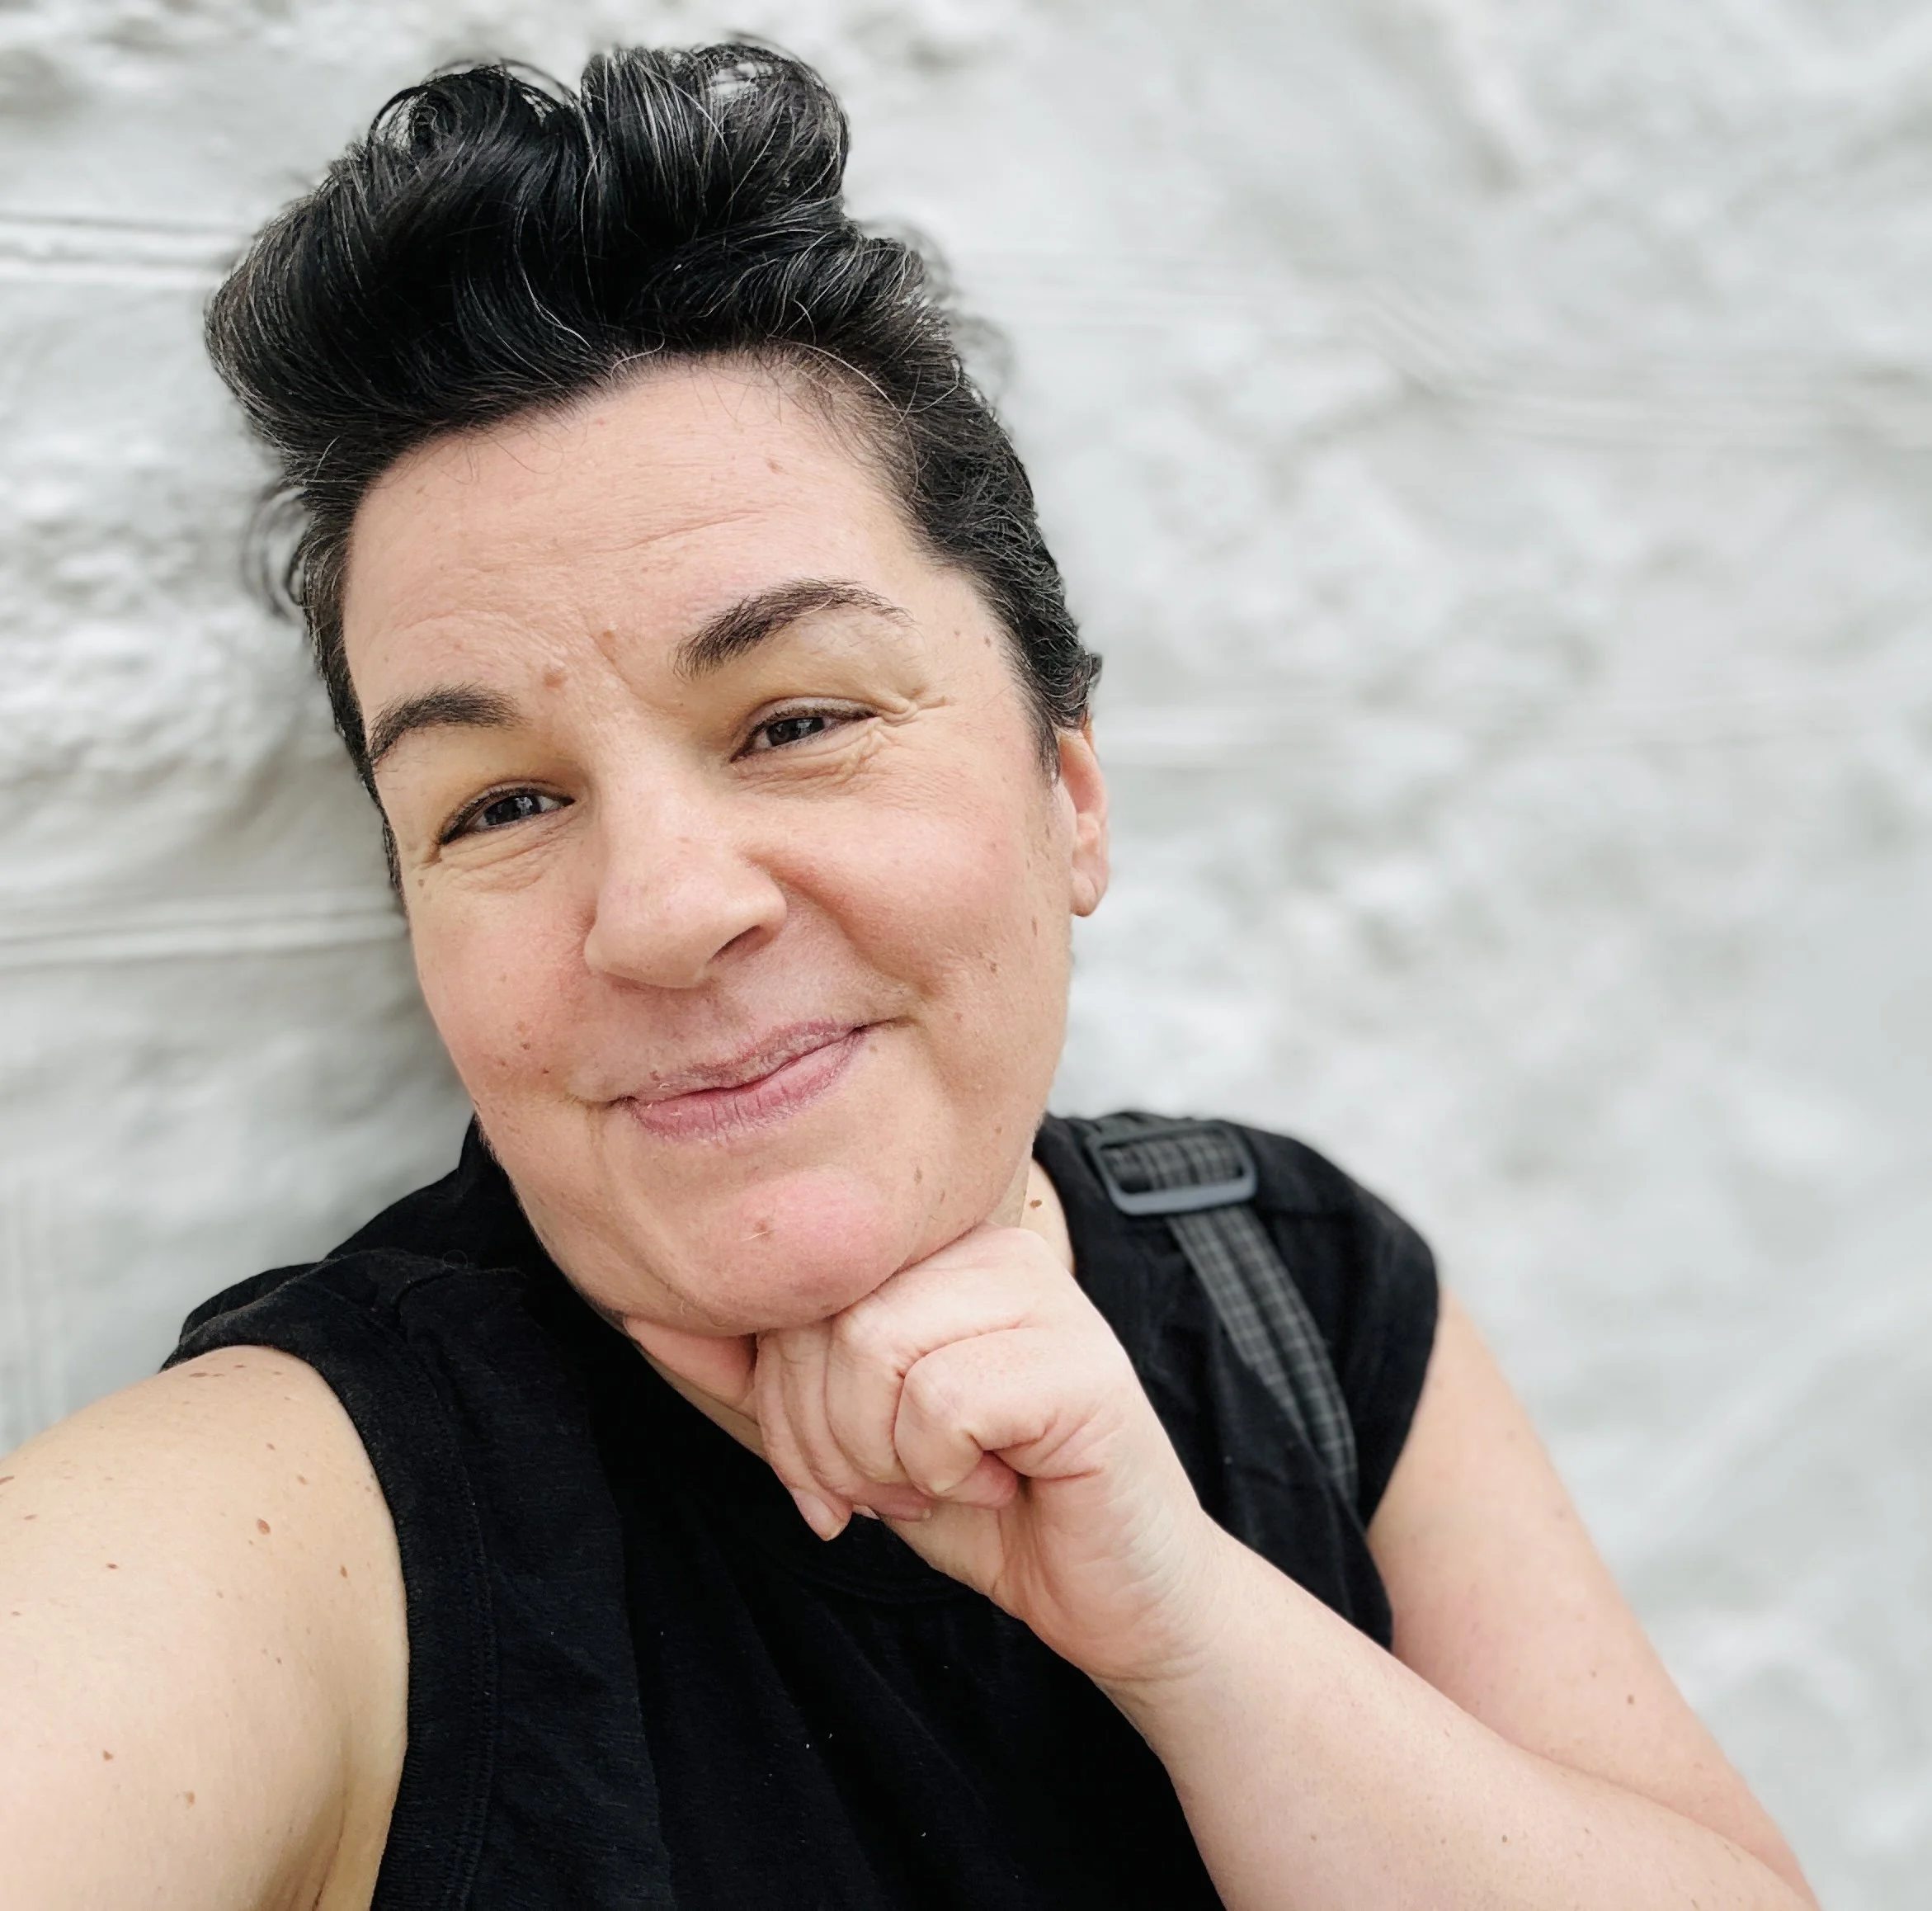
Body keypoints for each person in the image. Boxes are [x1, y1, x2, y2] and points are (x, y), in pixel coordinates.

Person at [0, 43, 1816, 1911]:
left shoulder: (1293, 1292)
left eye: (793, 719)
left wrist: (1187, 1628)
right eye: (502, 804)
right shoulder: (301, 1509)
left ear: (1068, 793)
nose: (665, 910)